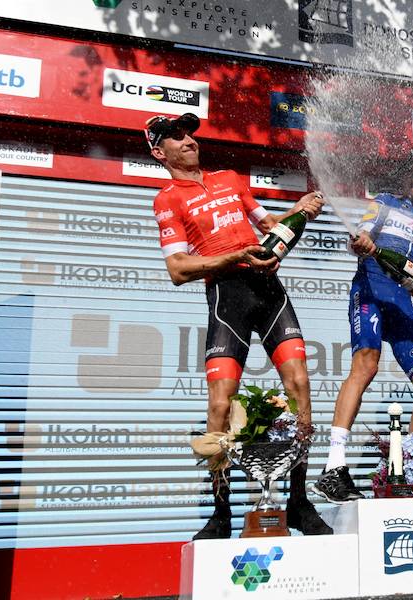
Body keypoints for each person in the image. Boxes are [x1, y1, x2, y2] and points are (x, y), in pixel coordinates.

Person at [145, 112, 332, 538]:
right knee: (218, 405)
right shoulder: (167, 199)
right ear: (160, 152)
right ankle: (222, 512)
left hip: (269, 292)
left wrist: (300, 213)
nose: (188, 140)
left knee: (300, 385)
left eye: (189, 132)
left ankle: (299, 502)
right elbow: (177, 268)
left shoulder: (231, 178)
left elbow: (271, 229)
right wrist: (235, 257)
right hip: (228, 297)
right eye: (175, 137)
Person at [312, 162, 413, 503]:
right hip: (370, 290)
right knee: (365, 367)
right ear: (405, 179)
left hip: (402, 304)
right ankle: (333, 467)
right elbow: (359, 239)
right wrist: (362, 244)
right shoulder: (385, 201)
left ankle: (407, 473)